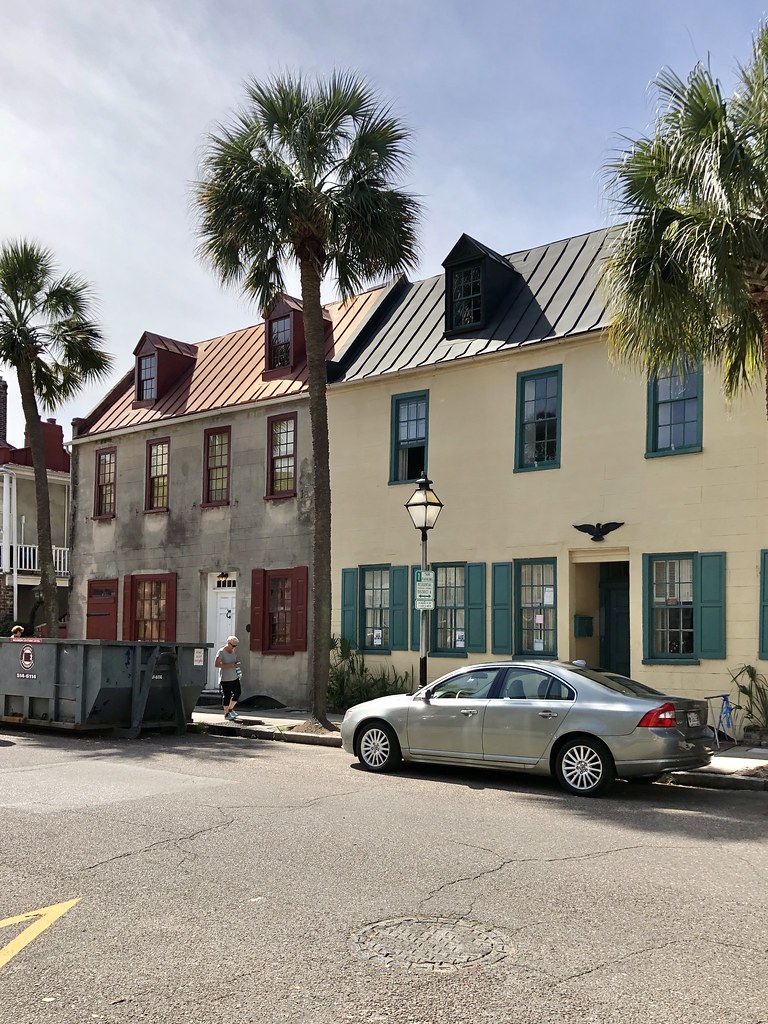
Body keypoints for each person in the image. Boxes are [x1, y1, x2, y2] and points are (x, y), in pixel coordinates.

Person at [215, 635, 241, 720]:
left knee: (237, 693)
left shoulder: (233, 652)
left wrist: (236, 665)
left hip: (234, 676)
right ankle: (226, 714)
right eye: (233, 645)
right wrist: (231, 665)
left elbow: (233, 662)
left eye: (235, 646)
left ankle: (230, 709)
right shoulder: (221, 652)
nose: (234, 647)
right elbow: (216, 664)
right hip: (225, 678)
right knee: (227, 695)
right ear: (228, 643)